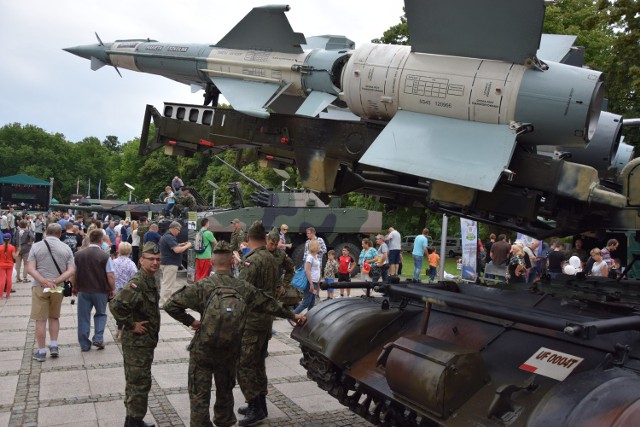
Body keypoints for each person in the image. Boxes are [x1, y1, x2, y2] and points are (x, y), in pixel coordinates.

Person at [165, 240, 305, 427]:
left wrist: (191, 321)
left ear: (213, 262)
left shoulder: (203, 286)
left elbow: (171, 305)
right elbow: (269, 304)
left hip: (203, 350)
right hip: (229, 350)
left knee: (199, 395)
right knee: (225, 393)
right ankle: (224, 421)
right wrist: (293, 316)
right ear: (232, 261)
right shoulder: (242, 287)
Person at [109, 242, 161, 427]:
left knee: (138, 382)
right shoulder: (137, 283)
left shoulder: (149, 279)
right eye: (150, 259)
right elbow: (115, 306)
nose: (155, 262)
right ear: (141, 260)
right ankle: (134, 422)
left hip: (145, 343)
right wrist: (131, 325)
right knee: (138, 383)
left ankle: (132, 420)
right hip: (137, 344)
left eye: (157, 259)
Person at [236, 221, 280, 426]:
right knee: (258, 362)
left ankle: (255, 406)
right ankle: (260, 404)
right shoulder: (271, 258)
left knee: (244, 364)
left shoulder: (252, 260)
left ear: (248, 239)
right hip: (265, 319)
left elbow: (241, 290)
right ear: (264, 239)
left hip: (251, 320)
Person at [27, 223, 75, 362]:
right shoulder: (66, 248)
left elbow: (30, 269)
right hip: (58, 287)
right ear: (60, 234)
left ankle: (41, 352)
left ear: (46, 232)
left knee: (40, 320)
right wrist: (55, 280)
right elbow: (71, 270)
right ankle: (54, 345)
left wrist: (44, 281)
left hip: (39, 286)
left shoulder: (36, 246)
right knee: (54, 317)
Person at [72, 229, 115, 351]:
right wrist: (112, 288)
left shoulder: (78, 255)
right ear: (101, 241)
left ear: (89, 240)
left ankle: (84, 344)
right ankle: (98, 338)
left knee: (83, 316)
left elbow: (73, 273)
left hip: (83, 290)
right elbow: (110, 275)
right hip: (100, 290)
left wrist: (74, 286)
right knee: (101, 314)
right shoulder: (105, 256)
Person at [158, 221, 192, 307]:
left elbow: (173, 246)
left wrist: (181, 244)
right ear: (174, 228)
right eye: (178, 230)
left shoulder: (166, 236)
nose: (179, 232)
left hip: (167, 263)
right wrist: (187, 246)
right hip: (170, 264)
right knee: (168, 284)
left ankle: (165, 301)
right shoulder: (169, 237)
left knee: (167, 283)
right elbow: (177, 250)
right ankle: (163, 303)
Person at [112, 242, 138, 341]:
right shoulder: (131, 264)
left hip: (115, 290)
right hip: (127, 291)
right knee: (125, 312)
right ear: (129, 251)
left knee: (118, 311)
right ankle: (121, 330)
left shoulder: (114, 262)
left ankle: (119, 330)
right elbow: (135, 278)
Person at [0, 233, 18, 299]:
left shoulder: (0, 247)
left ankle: (0, 295)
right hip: (10, 265)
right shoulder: (12, 247)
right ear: (10, 240)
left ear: (3, 239)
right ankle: (8, 294)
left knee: (2, 280)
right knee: (9, 279)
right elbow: (15, 257)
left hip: (1, 265)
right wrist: (18, 251)